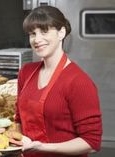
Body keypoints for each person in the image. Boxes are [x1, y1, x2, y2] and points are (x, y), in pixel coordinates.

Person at [15, 6, 102, 157]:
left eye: (44, 31)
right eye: (32, 34)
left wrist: (43, 147)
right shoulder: (26, 72)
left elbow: (91, 143)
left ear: (61, 32)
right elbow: (19, 119)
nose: (37, 39)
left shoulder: (79, 82)